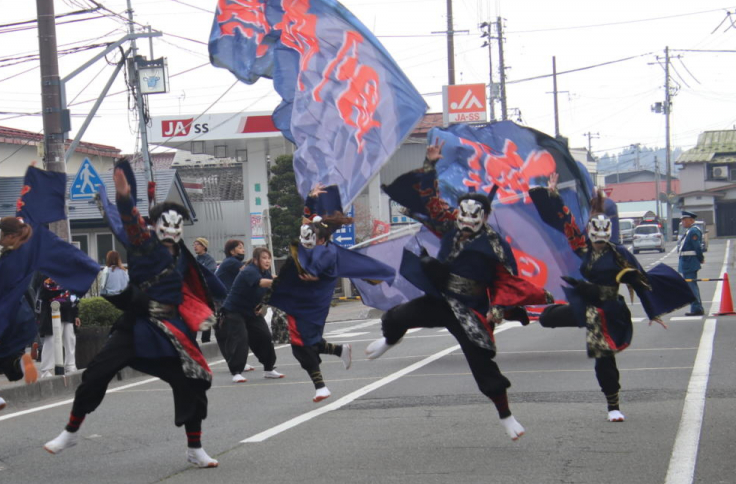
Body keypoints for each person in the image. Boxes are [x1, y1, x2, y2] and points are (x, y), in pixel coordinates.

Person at [367, 139, 551, 441]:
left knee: (482, 363)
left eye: (472, 219)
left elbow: (506, 281)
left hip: (469, 310)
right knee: (397, 316)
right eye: (462, 217)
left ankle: (506, 415)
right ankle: (389, 340)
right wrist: (430, 165)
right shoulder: (450, 224)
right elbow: (430, 199)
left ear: (485, 218)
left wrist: (498, 308)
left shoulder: (493, 244)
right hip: (440, 297)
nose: (465, 223)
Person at [44, 163, 226, 467]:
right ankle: (71, 430)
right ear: (153, 226)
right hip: (137, 324)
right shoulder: (143, 245)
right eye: (164, 226)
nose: (170, 231)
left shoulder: (185, 258)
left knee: (191, 382)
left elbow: (209, 286)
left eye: (176, 225)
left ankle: (195, 448)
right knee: (96, 374)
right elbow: (129, 222)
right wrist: (125, 198)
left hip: (172, 330)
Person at [530, 188, 695, 422]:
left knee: (604, 358)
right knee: (547, 318)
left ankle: (613, 406)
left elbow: (641, 280)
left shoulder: (620, 254)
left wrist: (653, 311)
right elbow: (567, 224)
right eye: (593, 236)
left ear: (608, 234)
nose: (597, 243)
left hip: (607, 311)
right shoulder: (584, 248)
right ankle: (527, 311)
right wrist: (555, 198)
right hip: (585, 304)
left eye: (601, 238)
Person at [0, 196, 97, 419]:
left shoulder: (4, 261)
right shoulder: (26, 252)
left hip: (5, 317)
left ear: (11, 236)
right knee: (5, 362)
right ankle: (20, 364)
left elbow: (0, 298)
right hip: (22, 317)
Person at [268, 188, 394, 402]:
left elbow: (314, 268)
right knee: (308, 341)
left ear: (321, 237)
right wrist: (311, 197)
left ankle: (321, 387)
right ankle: (339, 351)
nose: (306, 234)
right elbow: (306, 221)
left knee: (301, 345)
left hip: (308, 305)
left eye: (312, 234)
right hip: (304, 302)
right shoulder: (316, 247)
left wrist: (312, 275)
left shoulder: (327, 251)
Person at [217, 246, 281, 382]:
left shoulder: (266, 273)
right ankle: (236, 372)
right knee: (240, 338)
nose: (267, 261)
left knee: (264, 336)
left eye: (269, 258)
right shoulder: (249, 271)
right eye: (264, 258)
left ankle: (269, 369)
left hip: (251, 312)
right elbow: (261, 283)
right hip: (233, 311)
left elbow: (270, 286)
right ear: (256, 259)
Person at [38, 277, 81, 378]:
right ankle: (46, 369)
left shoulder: (68, 276)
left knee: (70, 339)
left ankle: (70, 365)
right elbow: (43, 294)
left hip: (68, 310)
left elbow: (74, 295)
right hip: (51, 310)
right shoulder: (46, 275)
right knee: (52, 340)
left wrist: (76, 314)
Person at [677, 210, 705, 316]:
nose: (683, 222)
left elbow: (697, 247)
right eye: (682, 220)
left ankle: (696, 308)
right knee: (691, 285)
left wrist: (700, 258)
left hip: (690, 262)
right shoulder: (689, 231)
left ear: (691, 220)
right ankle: (697, 307)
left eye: (685, 220)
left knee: (691, 286)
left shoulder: (693, 231)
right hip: (687, 262)